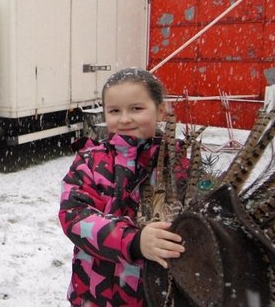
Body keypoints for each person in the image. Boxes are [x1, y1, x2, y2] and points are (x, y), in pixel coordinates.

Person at [58, 68, 186, 306]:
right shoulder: (90, 161)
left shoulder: (178, 164)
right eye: (115, 111)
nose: (125, 118)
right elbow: (74, 216)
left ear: (160, 110)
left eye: (136, 108)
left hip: (155, 296)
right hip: (95, 296)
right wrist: (134, 241)